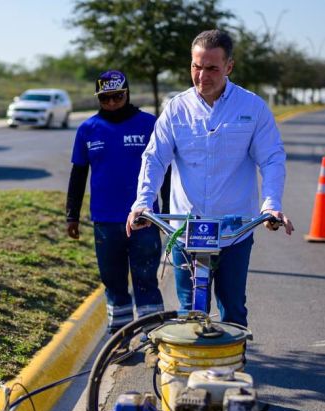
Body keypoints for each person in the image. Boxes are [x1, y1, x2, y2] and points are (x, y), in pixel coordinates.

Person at [126, 29, 293, 327]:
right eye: (196, 66)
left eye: (212, 68)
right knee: (188, 313)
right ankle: (189, 372)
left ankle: (232, 370)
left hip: (234, 231)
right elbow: (155, 157)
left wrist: (271, 204)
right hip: (186, 231)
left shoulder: (252, 107)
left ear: (229, 67)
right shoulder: (176, 108)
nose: (202, 76)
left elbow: (271, 158)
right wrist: (143, 202)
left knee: (232, 310)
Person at [67, 70, 164, 331]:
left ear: (127, 94)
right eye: (105, 98)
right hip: (105, 221)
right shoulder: (88, 130)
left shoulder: (149, 124)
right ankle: (120, 338)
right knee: (113, 282)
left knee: (145, 279)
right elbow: (78, 174)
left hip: (145, 219)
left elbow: (165, 170)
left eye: (117, 97)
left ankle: (152, 335)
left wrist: (166, 213)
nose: (111, 103)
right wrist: (71, 215)